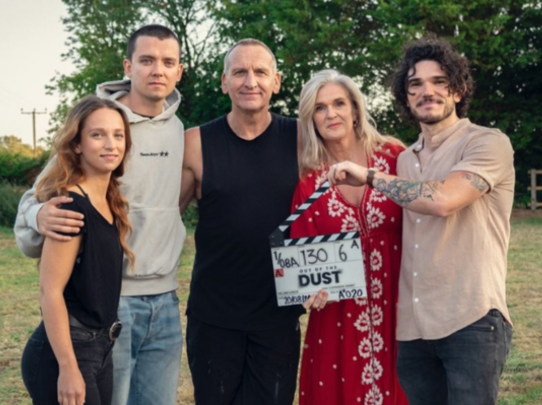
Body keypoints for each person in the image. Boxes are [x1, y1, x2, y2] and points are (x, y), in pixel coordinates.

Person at [328, 36, 515, 405]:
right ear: (405, 96)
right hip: (412, 329)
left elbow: (443, 199)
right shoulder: (404, 160)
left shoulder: (487, 143)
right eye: (415, 84)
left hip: (472, 320)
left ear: (459, 90)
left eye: (439, 81)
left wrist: (369, 176)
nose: (426, 91)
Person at [14, 24, 185, 405]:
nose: (157, 69)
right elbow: (36, 197)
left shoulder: (180, 133)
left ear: (179, 71)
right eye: (146, 60)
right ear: (128, 66)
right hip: (112, 302)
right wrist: (38, 214)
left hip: (166, 302)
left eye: (167, 62)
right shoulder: (98, 125)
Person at [180, 39, 304, 405]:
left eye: (260, 72)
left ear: (276, 81)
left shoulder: (302, 138)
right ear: (224, 82)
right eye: (239, 72)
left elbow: (358, 151)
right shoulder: (195, 142)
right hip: (214, 312)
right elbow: (160, 211)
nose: (251, 81)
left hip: (278, 314)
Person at [290, 69, 410, 405]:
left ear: (355, 109)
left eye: (339, 103)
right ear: (310, 118)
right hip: (337, 319)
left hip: (399, 310)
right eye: (320, 107)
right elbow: (301, 252)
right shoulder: (308, 179)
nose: (331, 114)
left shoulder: (394, 157)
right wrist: (307, 290)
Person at [20, 96, 133, 405]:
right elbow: (50, 291)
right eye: (98, 134)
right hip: (67, 353)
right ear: (78, 144)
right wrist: (69, 369)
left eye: (118, 134)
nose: (111, 143)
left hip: (102, 347)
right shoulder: (70, 207)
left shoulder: (109, 201)